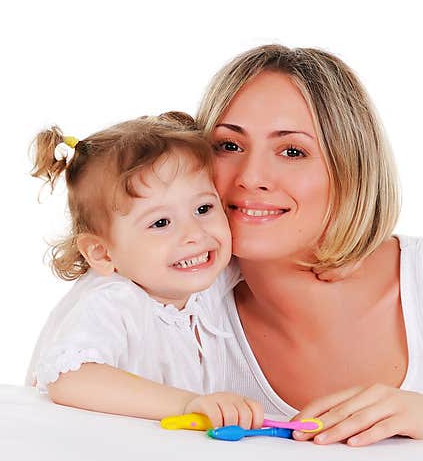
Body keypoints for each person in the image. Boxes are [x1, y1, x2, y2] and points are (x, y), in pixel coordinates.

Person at [195, 44, 423, 446]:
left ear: (351, 166)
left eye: (292, 151)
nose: (251, 176)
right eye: (228, 146)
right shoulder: (186, 312)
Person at [25, 112, 266, 429]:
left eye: (204, 208)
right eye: (161, 223)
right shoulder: (113, 302)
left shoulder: (205, 277)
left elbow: (274, 264)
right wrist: (187, 404)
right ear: (102, 252)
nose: (194, 233)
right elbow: (70, 376)